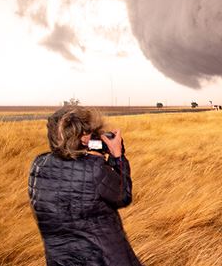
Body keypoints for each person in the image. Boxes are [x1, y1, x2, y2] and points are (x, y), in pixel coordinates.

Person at [28, 106, 141, 266]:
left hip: (59, 260)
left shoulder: (38, 165)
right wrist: (117, 157)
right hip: (102, 259)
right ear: (79, 136)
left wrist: (89, 154)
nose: (94, 136)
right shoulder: (94, 169)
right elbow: (123, 195)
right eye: (88, 132)